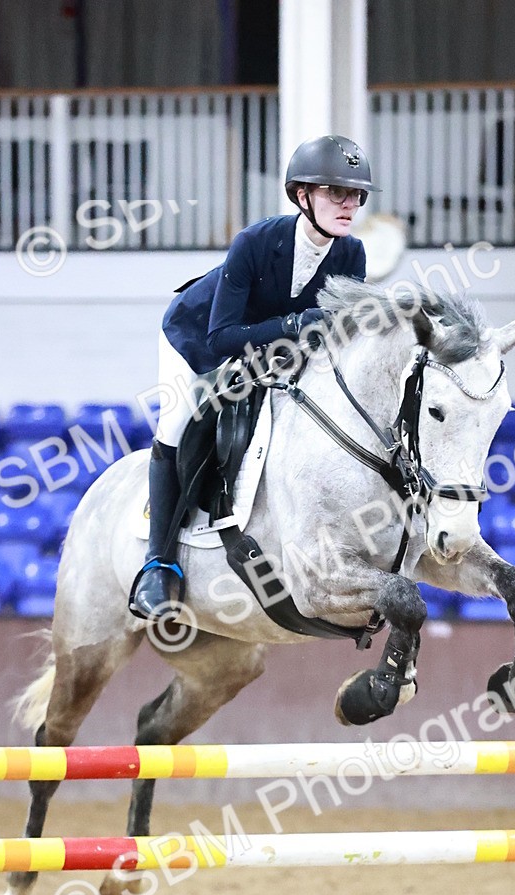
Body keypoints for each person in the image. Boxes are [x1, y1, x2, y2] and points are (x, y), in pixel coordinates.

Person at [129, 134, 380, 620]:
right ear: (302, 195)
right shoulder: (255, 242)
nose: (349, 205)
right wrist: (293, 327)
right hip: (197, 337)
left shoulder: (352, 255)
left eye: (356, 195)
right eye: (336, 193)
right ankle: (158, 565)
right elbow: (223, 336)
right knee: (179, 423)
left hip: (273, 350)